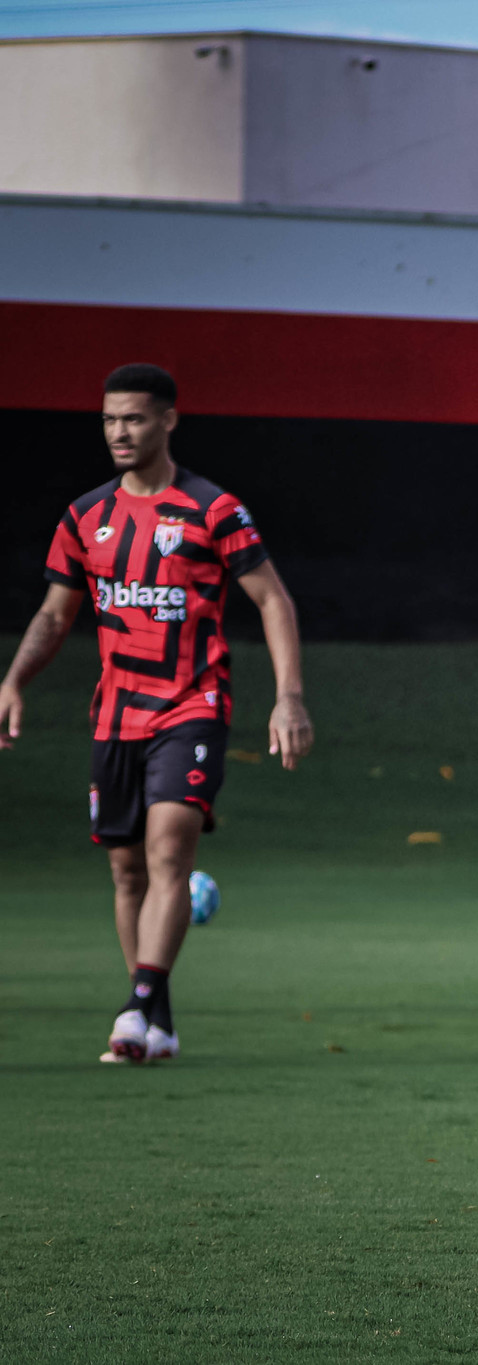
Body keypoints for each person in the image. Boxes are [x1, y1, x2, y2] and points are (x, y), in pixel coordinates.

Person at [0, 364, 314, 1064]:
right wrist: (15, 678)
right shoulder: (85, 517)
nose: (120, 431)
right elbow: (56, 615)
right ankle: (159, 1017)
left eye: (135, 418)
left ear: (168, 420)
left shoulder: (213, 510)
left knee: (169, 845)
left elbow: (273, 599)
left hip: (191, 705)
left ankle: (136, 1008)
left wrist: (288, 694)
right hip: (115, 716)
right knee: (126, 871)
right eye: (110, 418)